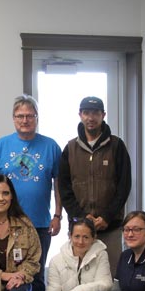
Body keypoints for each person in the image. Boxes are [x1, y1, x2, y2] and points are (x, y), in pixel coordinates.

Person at [0, 94, 62, 291]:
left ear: (37, 118)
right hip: (5, 223)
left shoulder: (51, 146)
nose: (25, 120)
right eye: (20, 116)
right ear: (13, 118)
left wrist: (58, 214)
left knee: (36, 273)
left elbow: (58, 184)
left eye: (30, 115)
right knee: (4, 271)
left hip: (39, 222)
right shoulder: (1, 145)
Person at [58, 96, 132, 275]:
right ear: (80, 115)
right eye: (86, 113)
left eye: (95, 113)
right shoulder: (70, 149)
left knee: (110, 277)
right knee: (78, 276)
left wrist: (106, 216)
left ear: (103, 115)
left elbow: (124, 186)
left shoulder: (116, 146)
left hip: (110, 226)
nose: (91, 118)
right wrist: (83, 219)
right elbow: (65, 189)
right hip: (80, 230)